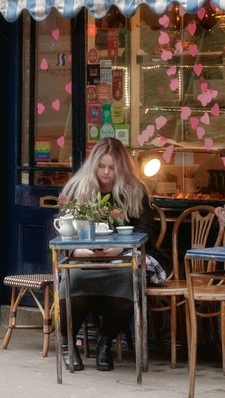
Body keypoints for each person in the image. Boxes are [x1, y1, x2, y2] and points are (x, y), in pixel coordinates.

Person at [58, 137, 165, 371]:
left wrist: (122, 248)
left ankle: (105, 342)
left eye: (112, 168)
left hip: (122, 257)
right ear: (93, 166)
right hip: (84, 257)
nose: (106, 173)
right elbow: (65, 227)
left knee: (129, 279)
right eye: (101, 166)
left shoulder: (135, 191)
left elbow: (145, 230)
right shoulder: (78, 189)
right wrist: (78, 249)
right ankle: (67, 344)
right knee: (75, 278)